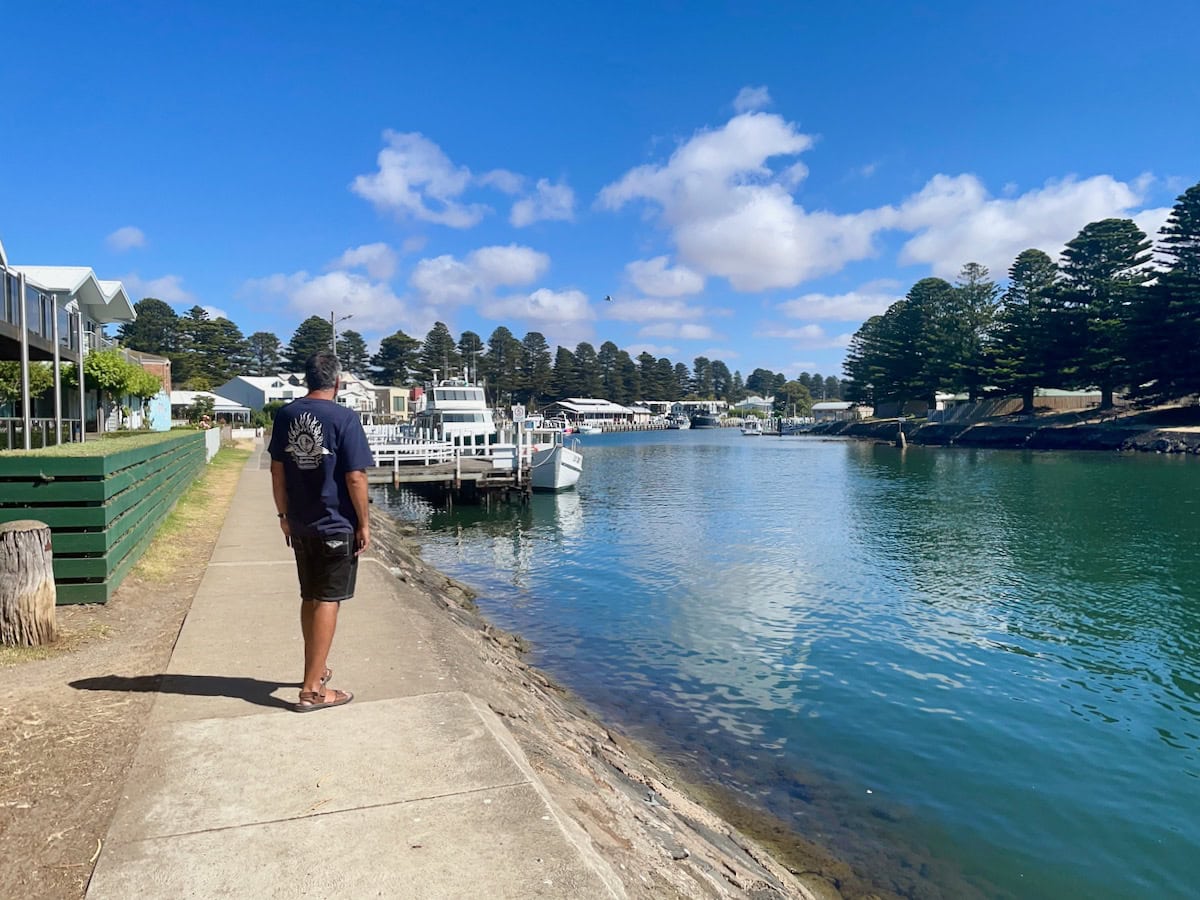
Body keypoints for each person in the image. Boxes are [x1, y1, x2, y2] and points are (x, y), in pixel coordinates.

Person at [267, 351, 373, 712]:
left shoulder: (286, 414)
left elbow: (277, 471)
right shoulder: (344, 418)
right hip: (334, 524)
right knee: (329, 599)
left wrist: (283, 514)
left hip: (299, 522)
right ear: (338, 382)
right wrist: (364, 523)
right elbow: (356, 477)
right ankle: (312, 690)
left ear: (306, 379)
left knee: (310, 596)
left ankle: (315, 669)